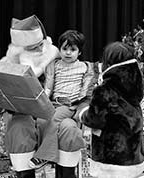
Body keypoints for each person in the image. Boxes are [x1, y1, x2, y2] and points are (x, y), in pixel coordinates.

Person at [0, 15, 59, 178]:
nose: (36, 51)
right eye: (30, 48)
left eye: (39, 46)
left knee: (64, 127)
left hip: (53, 113)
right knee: (19, 129)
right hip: (21, 116)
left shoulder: (56, 58)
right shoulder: (8, 63)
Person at [29, 30, 96, 178]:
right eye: (65, 49)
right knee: (41, 120)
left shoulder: (84, 67)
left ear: (79, 52)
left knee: (55, 118)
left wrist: (80, 105)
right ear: (59, 50)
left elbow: (88, 91)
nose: (68, 53)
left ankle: (44, 155)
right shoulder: (54, 65)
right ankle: (45, 152)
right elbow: (47, 86)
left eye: (73, 50)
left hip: (70, 105)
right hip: (53, 103)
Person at [79, 42, 144, 178]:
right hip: (134, 154)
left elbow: (94, 119)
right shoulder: (134, 86)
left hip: (111, 160)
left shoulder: (104, 90)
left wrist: (82, 112)